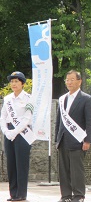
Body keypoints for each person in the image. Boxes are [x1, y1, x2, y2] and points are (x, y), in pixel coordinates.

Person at [55, 70, 91, 202]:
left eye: (72, 79)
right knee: (64, 170)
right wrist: (57, 139)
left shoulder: (86, 99)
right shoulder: (62, 99)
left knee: (77, 170)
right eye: (67, 79)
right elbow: (59, 121)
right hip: (63, 140)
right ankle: (65, 195)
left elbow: (90, 121)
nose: (69, 82)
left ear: (79, 81)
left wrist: (88, 140)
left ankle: (78, 196)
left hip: (78, 140)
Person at [0, 71, 35, 201]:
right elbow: (3, 116)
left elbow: (27, 119)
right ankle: (13, 193)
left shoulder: (29, 98)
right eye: (12, 81)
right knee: (11, 164)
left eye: (16, 81)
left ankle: (21, 194)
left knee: (21, 164)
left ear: (22, 83)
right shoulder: (7, 99)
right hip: (9, 132)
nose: (13, 84)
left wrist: (14, 132)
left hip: (23, 133)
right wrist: (6, 131)